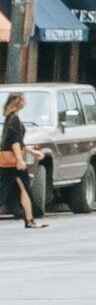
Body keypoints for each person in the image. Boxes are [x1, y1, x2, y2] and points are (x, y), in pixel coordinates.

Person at [0, 91, 34, 230]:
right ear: (17, 102)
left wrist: (32, 151)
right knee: (21, 190)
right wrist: (19, 159)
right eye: (23, 100)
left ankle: (30, 220)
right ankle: (30, 220)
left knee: (19, 190)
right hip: (14, 163)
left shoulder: (11, 118)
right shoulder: (13, 118)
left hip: (11, 161)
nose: (25, 103)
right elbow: (14, 141)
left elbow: (16, 141)